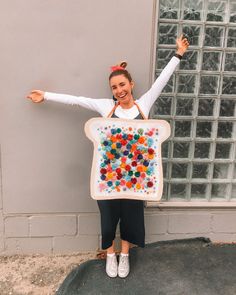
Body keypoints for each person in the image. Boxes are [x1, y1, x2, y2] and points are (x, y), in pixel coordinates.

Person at [26, 34, 189, 278]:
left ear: (131, 84)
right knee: (108, 216)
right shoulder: (105, 107)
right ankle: (110, 254)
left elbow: (161, 82)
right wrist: (46, 95)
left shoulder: (143, 106)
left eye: (122, 85)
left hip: (135, 177)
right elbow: (77, 101)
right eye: (114, 87)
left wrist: (178, 54)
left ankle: (124, 255)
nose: (119, 90)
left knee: (132, 216)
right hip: (108, 177)